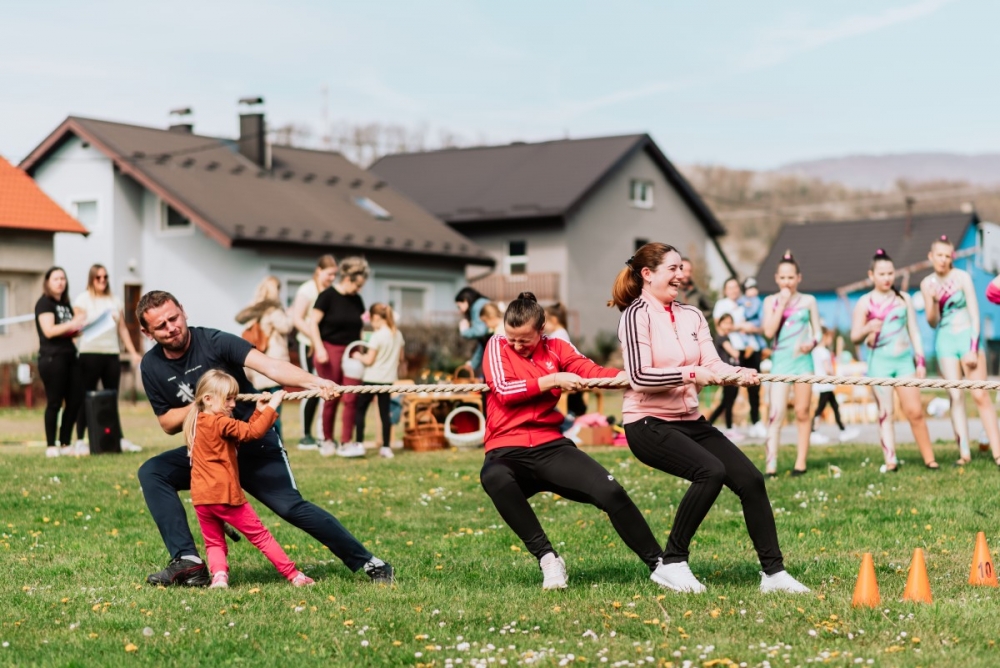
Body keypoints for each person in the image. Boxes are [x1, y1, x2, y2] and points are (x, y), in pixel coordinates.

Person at [135, 290, 394, 587]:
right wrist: (204, 403)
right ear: (147, 332)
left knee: (291, 508)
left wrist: (316, 381)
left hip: (251, 440)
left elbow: (271, 366)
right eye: (161, 326)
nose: (171, 328)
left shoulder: (214, 342)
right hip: (211, 455)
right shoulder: (151, 365)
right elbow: (167, 422)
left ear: (183, 311)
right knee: (153, 472)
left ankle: (369, 562)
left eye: (174, 318)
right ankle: (188, 561)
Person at [613, 242, 808, 594]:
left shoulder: (692, 315)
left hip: (689, 420)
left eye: (681, 268)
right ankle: (672, 562)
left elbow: (711, 363)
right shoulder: (635, 315)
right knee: (710, 471)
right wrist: (691, 375)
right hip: (647, 422)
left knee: (750, 479)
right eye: (672, 269)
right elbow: (640, 376)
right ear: (647, 274)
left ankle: (774, 574)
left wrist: (735, 372)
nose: (680, 274)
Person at [480, 292, 668, 591]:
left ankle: (661, 565)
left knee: (611, 491)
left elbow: (590, 372)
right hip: (507, 448)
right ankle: (548, 558)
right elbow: (504, 390)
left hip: (550, 445)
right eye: (512, 337)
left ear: (541, 332)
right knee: (493, 476)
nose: (516, 345)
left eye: (524, 340)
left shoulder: (556, 348)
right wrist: (553, 380)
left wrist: (630, 378)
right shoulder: (496, 345)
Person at [183, 371, 313, 588]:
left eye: (235, 398)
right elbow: (252, 433)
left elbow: (241, 435)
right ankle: (294, 575)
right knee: (261, 536)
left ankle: (219, 577)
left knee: (213, 541)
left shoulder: (199, 421)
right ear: (208, 399)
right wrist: (273, 405)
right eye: (229, 399)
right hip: (225, 495)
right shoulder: (220, 422)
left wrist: (258, 412)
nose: (233, 404)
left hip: (201, 497)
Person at [851, 250, 938, 471]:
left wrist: (920, 360)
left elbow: (915, 332)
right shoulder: (864, 302)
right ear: (871, 275)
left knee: (915, 412)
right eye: (882, 273)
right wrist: (868, 328)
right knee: (885, 413)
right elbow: (854, 336)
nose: (887, 277)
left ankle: (929, 459)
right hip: (878, 363)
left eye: (890, 273)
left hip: (903, 363)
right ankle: (891, 460)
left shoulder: (903, 299)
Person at [919, 235, 1000, 467]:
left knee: (980, 394)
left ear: (951, 257)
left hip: (967, 337)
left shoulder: (962, 277)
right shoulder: (927, 284)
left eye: (947, 255)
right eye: (939, 255)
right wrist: (933, 302)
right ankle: (964, 452)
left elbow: (975, 314)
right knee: (955, 396)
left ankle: (997, 451)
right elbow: (932, 322)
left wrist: (973, 348)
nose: (943, 260)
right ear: (931, 256)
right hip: (944, 341)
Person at [71, 264, 144, 454]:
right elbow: (76, 328)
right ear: (91, 279)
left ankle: (117, 438)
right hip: (89, 353)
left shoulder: (115, 301)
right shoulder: (83, 299)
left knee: (112, 396)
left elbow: (122, 329)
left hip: (111, 354)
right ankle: (80, 440)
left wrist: (133, 352)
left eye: (105, 277)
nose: (102, 280)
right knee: (86, 396)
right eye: (98, 277)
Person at [762, 251, 823, 477]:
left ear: (799, 278)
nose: (787, 282)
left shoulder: (809, 301)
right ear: (777, 279)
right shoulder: (770, 301)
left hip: (803, 363)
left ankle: (801, 463)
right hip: (780, 363)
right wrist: (782, 304)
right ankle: (771, 465)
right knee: (775, 414)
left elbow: (818, 332)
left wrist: (812, 343)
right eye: (783, 278)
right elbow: (768, 332)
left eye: (791, 277)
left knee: (802, 411)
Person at [309, 256, 370, 458]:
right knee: (331, 396)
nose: (359, 290)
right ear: (348, 278)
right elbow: (312, 323)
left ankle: (346, 442)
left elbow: (360, 327)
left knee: (351, 397)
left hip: (351, 351)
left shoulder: (357, 300)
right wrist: (319, 348)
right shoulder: (327, 296)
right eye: (358, 285)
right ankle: (327, 440)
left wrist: (362, 350)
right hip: (329, 349)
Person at [35, 266, 87, 457]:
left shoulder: (65, 304)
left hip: (70, 356)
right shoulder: (44, 303)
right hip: (52, 358)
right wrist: (73, 323)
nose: (60, 282)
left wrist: (78, 329)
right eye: (56, 279)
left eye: (63, 279)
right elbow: (49, 331)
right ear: (48, 282)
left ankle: (65, 442)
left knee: (75, 400)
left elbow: (66, 330)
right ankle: (51, 445)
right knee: (54, 402)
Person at [235, 275, 294, 441]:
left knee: (257, 410)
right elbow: (286, 326)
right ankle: (276, 444)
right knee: (273, 410)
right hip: (273, 365)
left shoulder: (252, 310)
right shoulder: (273, 310)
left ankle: (260, 442)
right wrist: (290, 314)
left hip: (255, 365)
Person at [290, 255, 338, 450]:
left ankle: (322, 434)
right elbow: (297, 319)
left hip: (325, 345)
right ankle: (305, 435)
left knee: (324, 388)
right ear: (319, 270)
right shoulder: (307, 290)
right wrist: (314, 337)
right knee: (310, 386)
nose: (332, 278)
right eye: (329, 274)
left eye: (335, 275)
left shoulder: (330, 291)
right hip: (307, 344)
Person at [353, 303, 404, 460]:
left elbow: (369, 360)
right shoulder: (397, 334)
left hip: (371, 379)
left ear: (375, 318)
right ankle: (386, 447)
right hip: (388, 380)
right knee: (384, 414)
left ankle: (359, 443)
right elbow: (401, 358)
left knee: (360, 410)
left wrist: (357, 356)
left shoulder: (377, 336)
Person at [810, 328, 859, 445]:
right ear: (825, 337)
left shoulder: (815, 351)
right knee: (821, 409)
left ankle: (843, 429)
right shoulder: (824, 352)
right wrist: (836, 377)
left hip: (821, 384)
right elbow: (828, 369)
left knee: (834, 407)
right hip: (826, 384)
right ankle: (814, 431)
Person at [543, 302, 588, 417]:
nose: (543, 325)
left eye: (545, 321)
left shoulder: (556, 337)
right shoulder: (561, 334)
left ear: (553, 320)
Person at [737, 278, 766, 437]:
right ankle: (730, 425)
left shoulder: (755, 302)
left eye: (754, 287)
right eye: (749, 288)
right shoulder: (739, 303)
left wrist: (749, 327)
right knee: (733, 388)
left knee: (755, 385)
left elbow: (759, 322)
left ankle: (756, 421)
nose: (753, 291)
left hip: (753, 347)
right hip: (739, 348)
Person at [706, 313, 742, 440]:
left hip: (727, 373)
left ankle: (707, 424)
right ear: (719, 323)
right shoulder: (722, 338)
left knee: (724, 403)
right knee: (728, 402)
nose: (728, 325)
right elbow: (735, 353)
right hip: (726, 374)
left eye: (730, 323)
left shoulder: (722, 337)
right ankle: (729, 429)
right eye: (726, 322)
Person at [455, 287, 491, 376]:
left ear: (466, 300)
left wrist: (464, 331)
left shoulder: (477, 306)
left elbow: (480, 331)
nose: (459, 311)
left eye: (459, 306)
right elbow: (483, 343)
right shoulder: (482, 303)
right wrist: (473, 363)